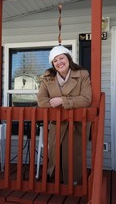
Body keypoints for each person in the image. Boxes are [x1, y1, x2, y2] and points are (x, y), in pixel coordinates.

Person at [37, 45, 92, 184]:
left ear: (68, 58)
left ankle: (72, 181)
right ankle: (55, 179)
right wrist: (63, 103)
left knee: (73, 154)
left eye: (61, 58)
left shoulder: (82, 74)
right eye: (55, 60)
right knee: (54, 154)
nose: (59, 62)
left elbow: (86, 99)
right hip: (56, 123)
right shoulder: (48, 77)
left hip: (76, 124)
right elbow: (41, 101)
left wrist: (62, 100)